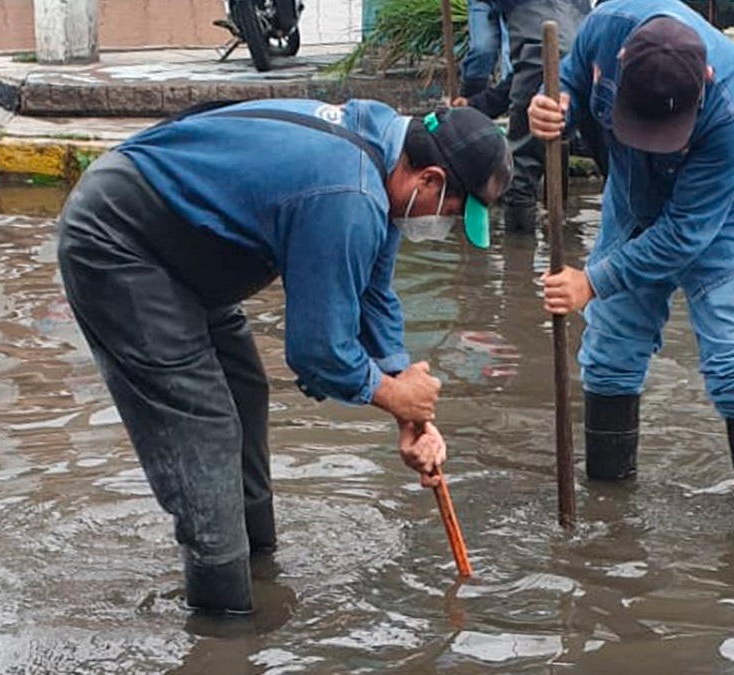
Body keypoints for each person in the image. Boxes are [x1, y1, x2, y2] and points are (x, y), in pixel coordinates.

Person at [56, 99, 512, 614]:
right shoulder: (351, 193)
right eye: (451, 212)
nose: (443, 225)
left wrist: (404, 394)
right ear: (428, 180)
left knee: (243, 391)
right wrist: (392, 396)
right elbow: (318, 353)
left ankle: (256, 563)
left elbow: (373, 295)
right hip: (122, 238)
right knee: (206, 423)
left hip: (190, 249)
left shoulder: (384, 155)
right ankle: (223, 622)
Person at [527, 0, 734, 510]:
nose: (659, 143)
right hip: (632, 192)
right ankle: (608, 507)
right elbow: (572, 79)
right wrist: (554, 103)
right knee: (608, 354)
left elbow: (685, 234)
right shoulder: (606, 27)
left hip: (722, 215)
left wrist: (592, 282)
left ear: (706, 78)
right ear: (620, 61)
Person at [452, 0, 590, 233]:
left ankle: (518, 258)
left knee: (519, 178)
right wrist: (477, 105)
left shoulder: (530, 22)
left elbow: (533, 70)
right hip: (583, 66)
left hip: (554, 67)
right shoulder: (572, 17)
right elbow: (522, 77)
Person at [461, 0, 512, 98]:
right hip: (483, 2)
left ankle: (514, 106)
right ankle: (470, 102)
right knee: (482, 49)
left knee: (510, 58)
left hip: (518, 4)